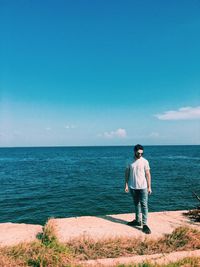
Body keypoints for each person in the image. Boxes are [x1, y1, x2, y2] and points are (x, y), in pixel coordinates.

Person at [125, 144, 152, 234]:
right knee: (136, 204)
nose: (140, 155)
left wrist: (149, 187)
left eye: (142, 153)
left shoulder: (145, 161)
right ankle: (137, 220)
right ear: (134, 152)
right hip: (133, 187)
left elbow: (148, 174)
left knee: (144, 205)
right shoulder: (129, 161)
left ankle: (144, 224)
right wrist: (126, 185)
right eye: (138, 153)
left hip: (143, 187)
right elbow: (127, 173)